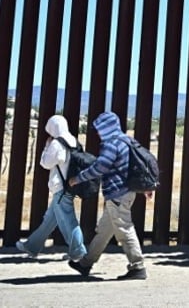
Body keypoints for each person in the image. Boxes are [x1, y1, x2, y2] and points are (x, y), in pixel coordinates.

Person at [67, 111, 147, 280]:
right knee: (104, 231)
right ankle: (85, 263)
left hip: (117, 194)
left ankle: (137, 266)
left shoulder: (111, 144)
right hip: (126, 192)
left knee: (125, 229)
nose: (97, 133)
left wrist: (78, 178)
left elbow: (100, 167)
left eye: (99, 129)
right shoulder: (127, 140)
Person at [15, 115, 87, 262]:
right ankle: (32, 246)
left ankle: (78, 251)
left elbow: (46, 163)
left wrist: (47, 147)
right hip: (70, 185)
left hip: (60, 187)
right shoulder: (73, 140)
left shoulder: (56, 143)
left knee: (69, 220)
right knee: (49, 219)